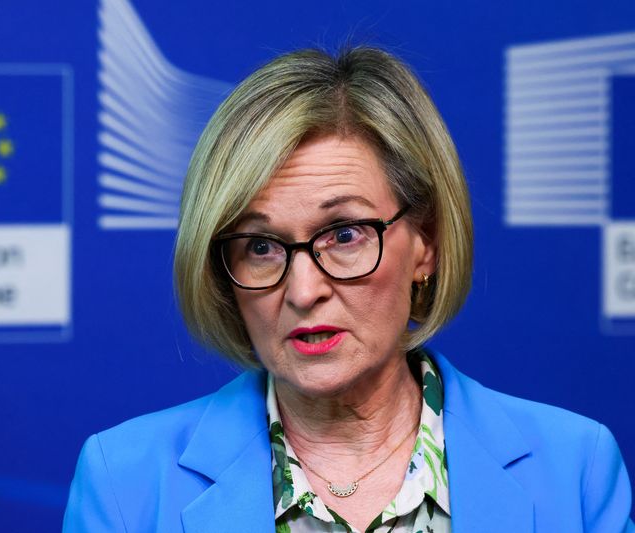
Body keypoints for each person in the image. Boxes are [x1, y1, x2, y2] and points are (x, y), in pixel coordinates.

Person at [64, 46, 634, 532]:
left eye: (344, 234)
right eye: (261, 246)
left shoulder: (575, 469)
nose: (304, 289)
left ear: (426, 244)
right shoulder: (125, 482)